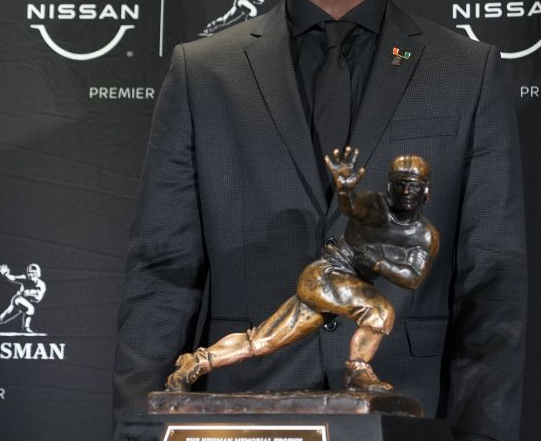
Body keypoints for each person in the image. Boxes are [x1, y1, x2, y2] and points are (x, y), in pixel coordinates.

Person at [113, 0, 525, 441]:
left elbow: (492, 276)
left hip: (408, 438)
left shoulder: (468, 72)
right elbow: (163, 273)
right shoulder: (203, 73)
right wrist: (135, 439)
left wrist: (481, 436)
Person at [165, 149, 438, 393]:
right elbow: (353, 206)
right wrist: (345, 191)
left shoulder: (424, 236)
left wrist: (377, 262)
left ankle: (196, 363)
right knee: (380, 312)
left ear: (426, 191)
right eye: (399, 184)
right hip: (325, 276)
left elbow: (413, 278)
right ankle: (357, 371)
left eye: (413, 185)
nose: (406, 191)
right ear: (389, 187)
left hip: (341, 288)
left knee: (262, 342)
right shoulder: (374, 205)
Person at [0, 263, 46, 334]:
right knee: (31, 309)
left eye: (33, 273)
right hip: (18, 299)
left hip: (25, 303)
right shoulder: (25, 278)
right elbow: (14, 278)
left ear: (38, 273)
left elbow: (38, 299)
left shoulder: (41, 285)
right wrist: (6, 274)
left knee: (2, 318)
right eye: (29, 273)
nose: (31, 275)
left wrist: (30, 294)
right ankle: (26, 327)